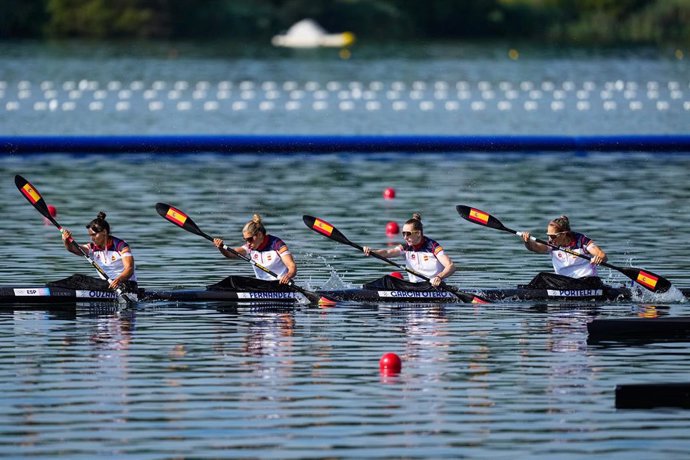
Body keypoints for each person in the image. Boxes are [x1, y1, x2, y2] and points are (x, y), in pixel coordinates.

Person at [363, 213, 455, 287]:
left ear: (418, 233)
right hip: (414, 287)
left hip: (434, 287)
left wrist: (439, 277)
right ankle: (364, 289)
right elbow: (388, 252)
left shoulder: (433, 247)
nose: (405, 237)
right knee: (388, 280)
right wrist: (372, 252)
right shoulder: (406, 247)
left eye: (408, 234)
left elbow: (451, 266)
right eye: (403, 234)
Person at [520, 215, 607, 288]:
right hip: (565, 283)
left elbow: (602, 255)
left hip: (588, 282)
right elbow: (535, 247)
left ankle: (525, 293)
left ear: (564, 234)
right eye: (548, 236)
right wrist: (527, 241)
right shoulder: (552, 244)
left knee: (542, 277)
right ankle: (527, 291)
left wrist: (598, 258)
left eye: (553, 236)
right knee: (542, 279)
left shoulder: (581, 241)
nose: (550, 239)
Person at [60, 211, 138, 291]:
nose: (92, 238)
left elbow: (129, 268)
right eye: (90, 236)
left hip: (126, 285)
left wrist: (118, 280)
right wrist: (66, 241)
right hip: (107, 285)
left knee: (79, 279)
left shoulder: (121, 246)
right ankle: (55, 288)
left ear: (104, 232)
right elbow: (73, 249)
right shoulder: (92, 247)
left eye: (94, 235)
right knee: (77, 279)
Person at [213, 214, 296, 284]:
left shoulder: (277, 245)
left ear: (259, 234)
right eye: (245, 240)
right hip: (261, 286)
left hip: (281, 286)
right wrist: (221, 248)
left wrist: (287, 276)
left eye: (249, 239)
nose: (248, 242)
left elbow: (292, 267)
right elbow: (230, 254)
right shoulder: (249, 247)